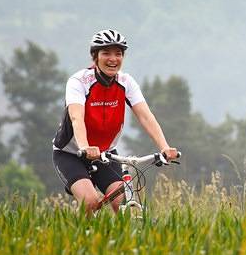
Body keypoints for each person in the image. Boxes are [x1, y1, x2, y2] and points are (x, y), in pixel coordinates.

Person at [52, 29, 179, 212]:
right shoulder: (79, 81)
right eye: (106, 53)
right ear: (95, 57)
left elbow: (145, 116)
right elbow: (76, 117)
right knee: (89, 202)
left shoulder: (126, 82)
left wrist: (164, 147)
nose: (113, 59)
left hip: (106, 154)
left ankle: (127, 239)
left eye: (118, 54)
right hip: (71, 153)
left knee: (123, 202)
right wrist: (85, 147)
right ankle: (80, 238)